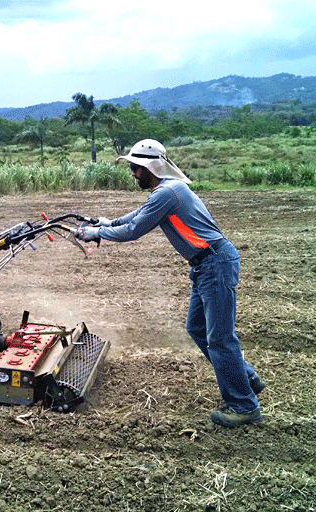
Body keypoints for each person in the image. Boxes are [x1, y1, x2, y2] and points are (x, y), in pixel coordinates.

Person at [76, 139, 265, 428]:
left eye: (134, 168)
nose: (132, 174)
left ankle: (244, 406)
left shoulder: (168, 193)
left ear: (148, 167)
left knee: (220, 339)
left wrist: (97, 233)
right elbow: (134, 216)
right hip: (205, 266)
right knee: (197, 328)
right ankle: (246, 378)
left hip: (214, 264)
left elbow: (134, 230)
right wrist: (103, 222)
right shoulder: (166, 191)